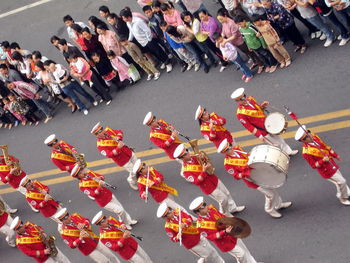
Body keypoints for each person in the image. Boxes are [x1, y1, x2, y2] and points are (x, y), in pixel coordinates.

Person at [218, 139, 293, 218]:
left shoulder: (237, 149)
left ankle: (278, 204)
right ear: (224, 152)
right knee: (270, 194)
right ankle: (269, 209)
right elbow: (236, 176)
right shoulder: (228, 163)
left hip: (258, 172)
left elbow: (248, 156)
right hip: (252, 179)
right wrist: (245, 172)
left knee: (272, 188)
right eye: (227, 149)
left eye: (230, 146)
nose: (230, 149)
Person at [174, 143, 246, 216]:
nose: (189, 153)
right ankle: (224, 213)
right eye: (186, 154)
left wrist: (205, 160)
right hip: (208, 186)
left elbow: (205, 162)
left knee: (227, 193)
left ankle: (232, 208)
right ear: (182, 158)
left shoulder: (194, 157)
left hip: (213, 178)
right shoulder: (185, 171)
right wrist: (203, 171)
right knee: (223, 199)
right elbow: (196, 182)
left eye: (187, 151)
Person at [231, 87, 299, 156]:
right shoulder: (240, 113)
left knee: (280, 139)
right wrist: (259, 135)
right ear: (237, 101)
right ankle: (282, 157)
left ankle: (288, 152)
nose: (245, 99)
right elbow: (249, 126)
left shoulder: (251, 99)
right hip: (262, 131)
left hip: (268, 124)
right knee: (275, 144)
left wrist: (263, 106)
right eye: (242, 99)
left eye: (244, 96)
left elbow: (259, 110)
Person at [190, 196, 258, 262]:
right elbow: (211, 237)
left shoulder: (212, 209)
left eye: (204, 204)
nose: (206, 207)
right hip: (224, 241)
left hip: (232, 233)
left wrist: (231, 222)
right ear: (198, 212)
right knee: (241, 255)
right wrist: (224, 232)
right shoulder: (199, 225)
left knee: (244, 250)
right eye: (202, 207)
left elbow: (222, 217)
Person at [295, 125, 350, 205]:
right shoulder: (306, 152)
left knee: (340, 181)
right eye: (306, 137)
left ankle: (345, 191)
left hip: (331, 164)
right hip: (326, 170)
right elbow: (314, 165)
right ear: (302, 141)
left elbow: (326, 147)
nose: (309, 136)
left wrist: (335, 155)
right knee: (342, 181)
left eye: (308, 133)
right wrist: (322, 161)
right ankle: (343, 198)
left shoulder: (315, 138)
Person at [70, 164, 138, 228]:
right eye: (80, 173)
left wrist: (100, 178)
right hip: (103, 201)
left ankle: (129, 221)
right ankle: (122, 223)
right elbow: (93, 194)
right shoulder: (82, 186)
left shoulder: (89, 173)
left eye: (81, 171)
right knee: (120, 211)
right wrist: (99, 187)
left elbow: (102, 176)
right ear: (78, 177)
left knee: (121, 208)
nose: (82, 173)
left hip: (108, 194)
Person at [156, 202, 225, 263]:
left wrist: (185, 224)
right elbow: (173, 239)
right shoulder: (168, 226)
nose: (171, 212)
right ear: (165, 217)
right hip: (192, 244)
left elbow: (189, 218)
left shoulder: (178, 212)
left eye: (170, 210)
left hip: (198, 235)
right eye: (168, 213)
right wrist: (177, 237)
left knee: (212, 251)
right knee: (207, 256)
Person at [54, 209, 120, 263]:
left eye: (68, 215)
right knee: (104, 261)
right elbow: (71, 245)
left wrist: (84, 224)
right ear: (62, 221)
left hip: (95, 239)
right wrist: (80, 238)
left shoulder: (75, 216)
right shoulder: (64, 232)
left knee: (111, 256)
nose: (68, 218)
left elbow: (87, 220)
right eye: (65, 218)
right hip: (87, 249)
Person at [120, 8, 173, 73]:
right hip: (142, 42)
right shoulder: (128, 23)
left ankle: (168, 63)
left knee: (158, 51)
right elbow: (131, 31)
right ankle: (163, 61)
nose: (123, 20)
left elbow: (147, 30)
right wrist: (129, 40)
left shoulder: (138, 21)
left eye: (123, 18)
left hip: (148, 40)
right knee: (153, 53)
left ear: (128, 17)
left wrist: (149, 40)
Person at [91, 122, 139, 190]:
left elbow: (119, 132)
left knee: (138, 165)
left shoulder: (108, 130)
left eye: (102, 130)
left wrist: (119, 138)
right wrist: (118, 148)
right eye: (100, 132)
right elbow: (109, 155)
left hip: (128, 151)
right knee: (134, 171)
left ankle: (141, 177)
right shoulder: (100, 145)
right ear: (97, 135)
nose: (103, 131)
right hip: (122, 160)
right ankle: (131, 180)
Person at [216, 8, 264, 73]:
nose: (220, 21)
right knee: (247, 53)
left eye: (221, 19)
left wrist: (226, 40)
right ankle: (255, 62)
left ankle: (261, 64)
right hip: (235, 43)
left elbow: (234, 36)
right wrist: (221, 38)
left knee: (251, 53)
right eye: (219, 20)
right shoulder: (224, 23)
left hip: (241, 41)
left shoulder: (232, 23)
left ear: (225, 15)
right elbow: (223, 32)